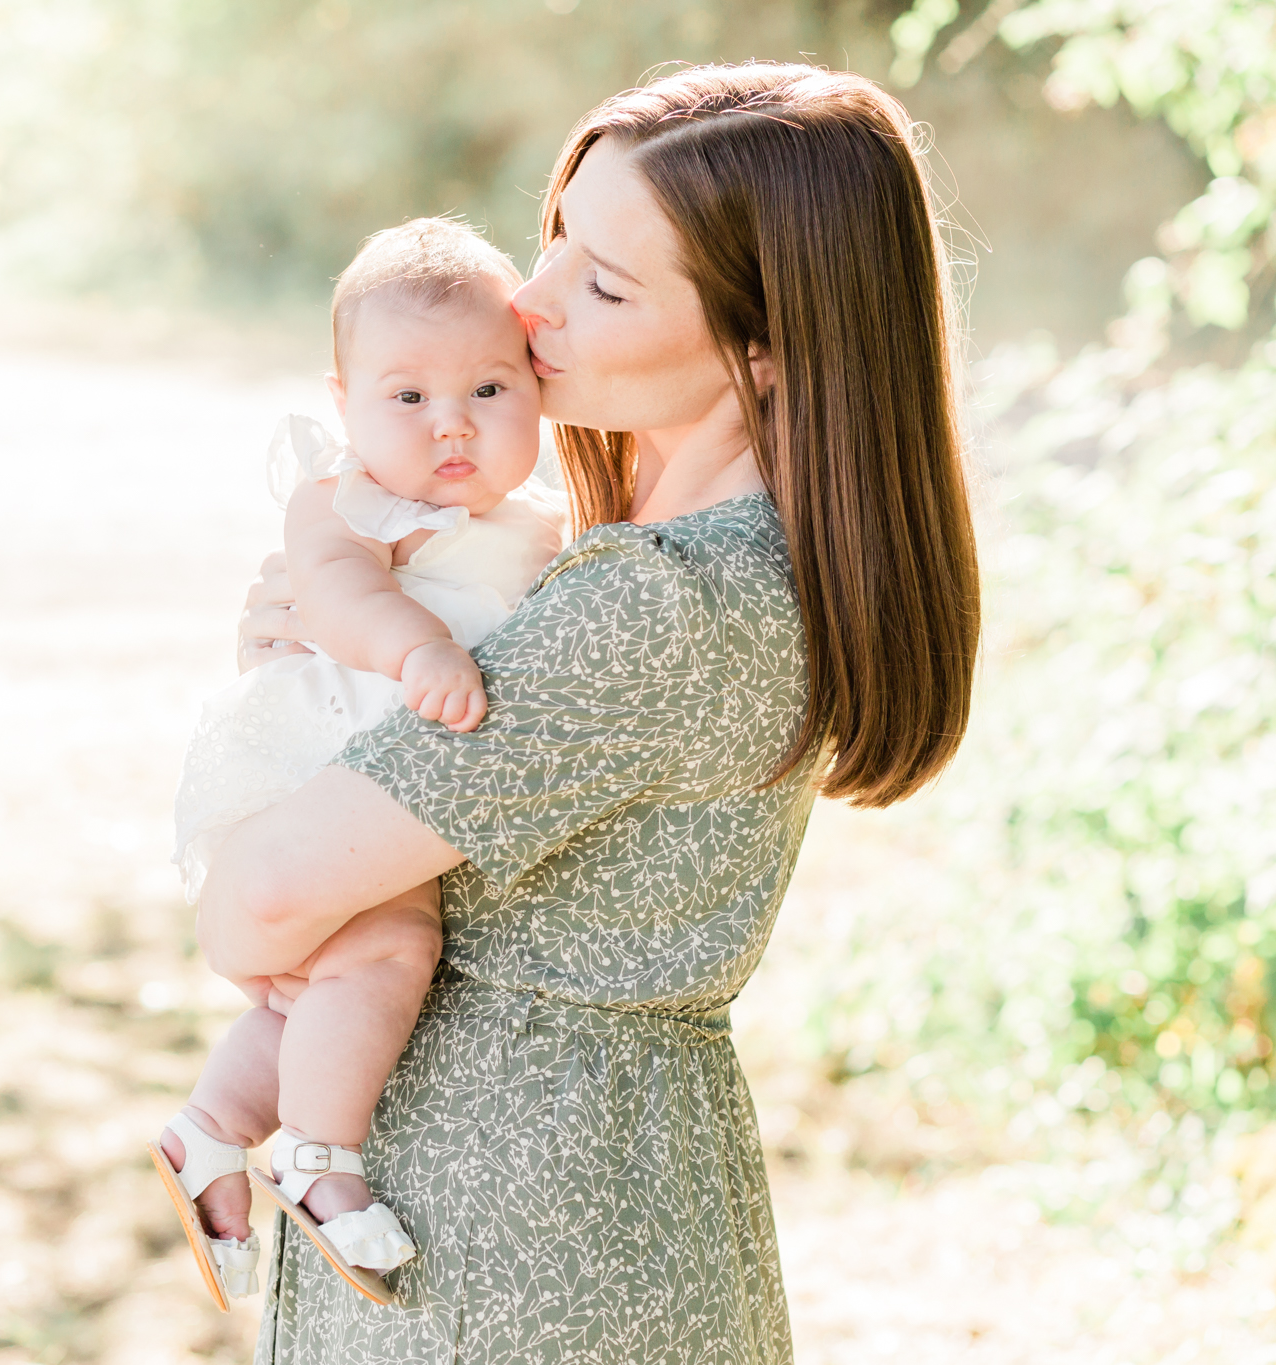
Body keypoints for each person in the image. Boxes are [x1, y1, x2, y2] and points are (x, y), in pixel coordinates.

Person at [205, 63, 981, 1363]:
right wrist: (326, 670)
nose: (530, 296)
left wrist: (272, 838)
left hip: (519, 1256)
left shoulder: (656, 609)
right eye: (558, 236)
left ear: (766, 349)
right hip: (586, 1212)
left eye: (604, 284)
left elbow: (260, 897)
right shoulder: (671, 562)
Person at [152, 217, 567, 1310]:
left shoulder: (535, 526)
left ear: (537, 390)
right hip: (308, 760)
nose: (451, 428)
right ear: (344, 405)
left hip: (383, 777)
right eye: (407, 397)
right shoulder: (345, 500)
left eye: (488, 391)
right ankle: (318, 1158)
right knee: (386, 952)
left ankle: (207, 1134)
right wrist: (414, 646)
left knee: (315, 994)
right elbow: (335, 596)